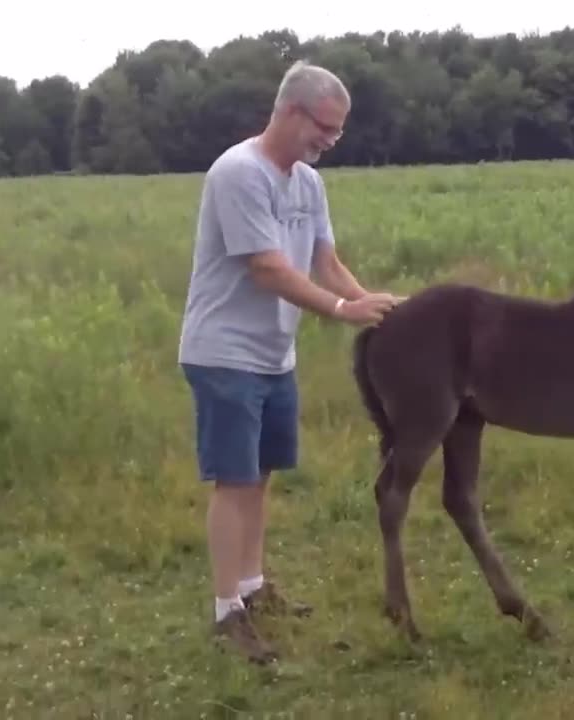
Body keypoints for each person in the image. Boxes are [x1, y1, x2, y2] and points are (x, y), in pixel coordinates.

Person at [177, 60, 404, 663]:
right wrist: (339, 310)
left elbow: (325, 261)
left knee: (262, 473)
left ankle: (252, 588)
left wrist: (374, 304)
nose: (330, 140)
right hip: (223, 351)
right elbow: (268, 267)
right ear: (290, 111)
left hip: (275, 355)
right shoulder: (238, 173)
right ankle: (227, 612)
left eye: (337, 131)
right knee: (236, 479)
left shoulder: (307, 184)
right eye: (324, 128)